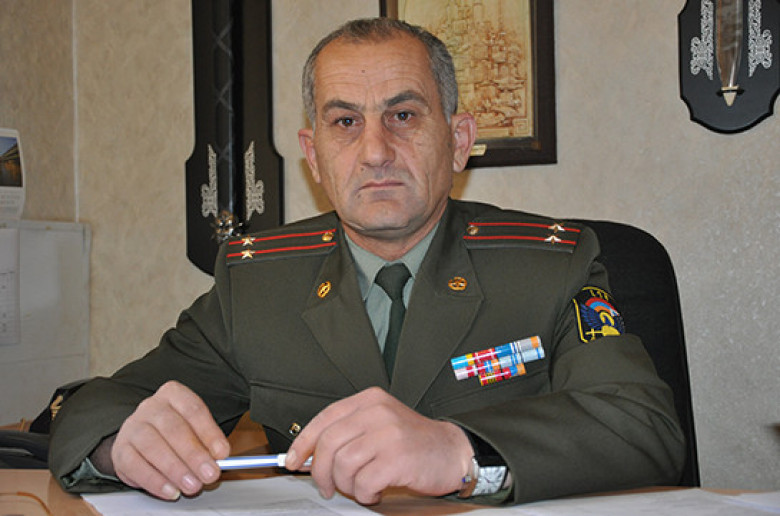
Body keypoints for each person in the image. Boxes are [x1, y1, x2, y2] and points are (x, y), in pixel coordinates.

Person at [49, 17, 684, 506]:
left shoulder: (549, 265)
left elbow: (642, 426)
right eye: (345, 122)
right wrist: (120, 444)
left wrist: (458, 450)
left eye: (403, 115)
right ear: (314, 156)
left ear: (458, 141)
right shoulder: (257, 282)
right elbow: (103, 402)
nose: (375, 151)